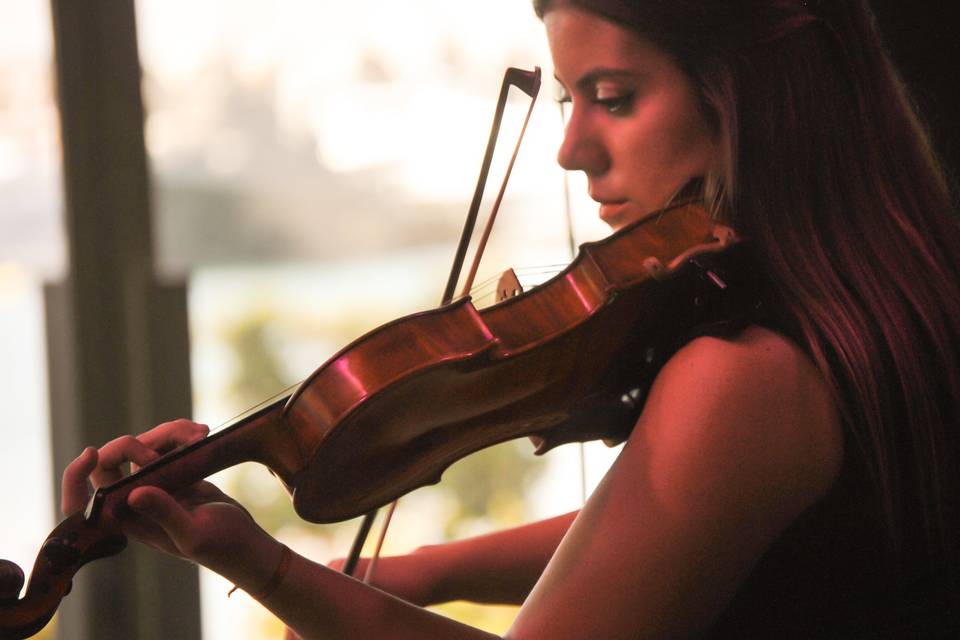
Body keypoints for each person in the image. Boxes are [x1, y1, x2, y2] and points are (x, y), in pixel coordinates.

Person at [62, 1, 960, 637]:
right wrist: (429, 570)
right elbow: (680, 526)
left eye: (612, 98)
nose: (570, 149)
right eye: (568, 101)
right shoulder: (868, 297)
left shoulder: (746, 373)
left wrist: (265, 568)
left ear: (748, 94)